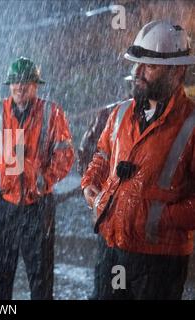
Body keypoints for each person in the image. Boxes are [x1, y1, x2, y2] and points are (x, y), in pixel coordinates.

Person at [81, 21, 195, 300]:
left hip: (159, 261)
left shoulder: (191, 124)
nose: (138, 74)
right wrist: (89, 185)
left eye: (149, 67)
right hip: (113, 250)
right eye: (136, 64)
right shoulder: (120, 114)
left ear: (177, 71)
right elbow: (101, 157)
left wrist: (157, 219)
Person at [0, 57, 74, 300]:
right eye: (15, 82)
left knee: (41, 278)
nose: (20, 87)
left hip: (37, 206)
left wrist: (43, 181)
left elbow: (65, 154)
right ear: (9, 85)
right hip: (2, 204)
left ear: (36, 85)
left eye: (26, 83)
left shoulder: (52, 112)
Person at [77, 64, 137, 177]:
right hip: (108, 185)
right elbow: (88, 147)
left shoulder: (112, 112)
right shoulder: (112, 112)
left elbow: (86, 148)